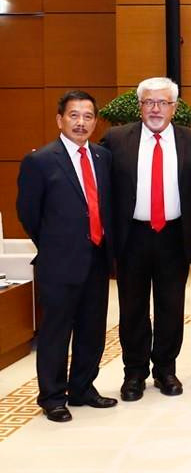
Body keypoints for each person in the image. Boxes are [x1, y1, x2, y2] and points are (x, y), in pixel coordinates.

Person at [101, 77, 191, 401]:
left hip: (174, 235)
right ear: (140, 106)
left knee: (171, 307)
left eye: (163, 103)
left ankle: (165, 370)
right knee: (132, 307)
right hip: (132, 235)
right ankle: (133, 374)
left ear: (174, 107)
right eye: (149, 102)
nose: (156, 109)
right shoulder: (116, 139)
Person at [16, 91, 117, 422]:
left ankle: (83, 388)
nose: (81, 122)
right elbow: (28, 213)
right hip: (59, 262)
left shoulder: (103, 157)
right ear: (60, 120)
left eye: (88, 116)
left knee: (91, 328)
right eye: (74, 115)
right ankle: (52, 396)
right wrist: (55, 245)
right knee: (56, 331)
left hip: (97, 259)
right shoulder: (41, 161)